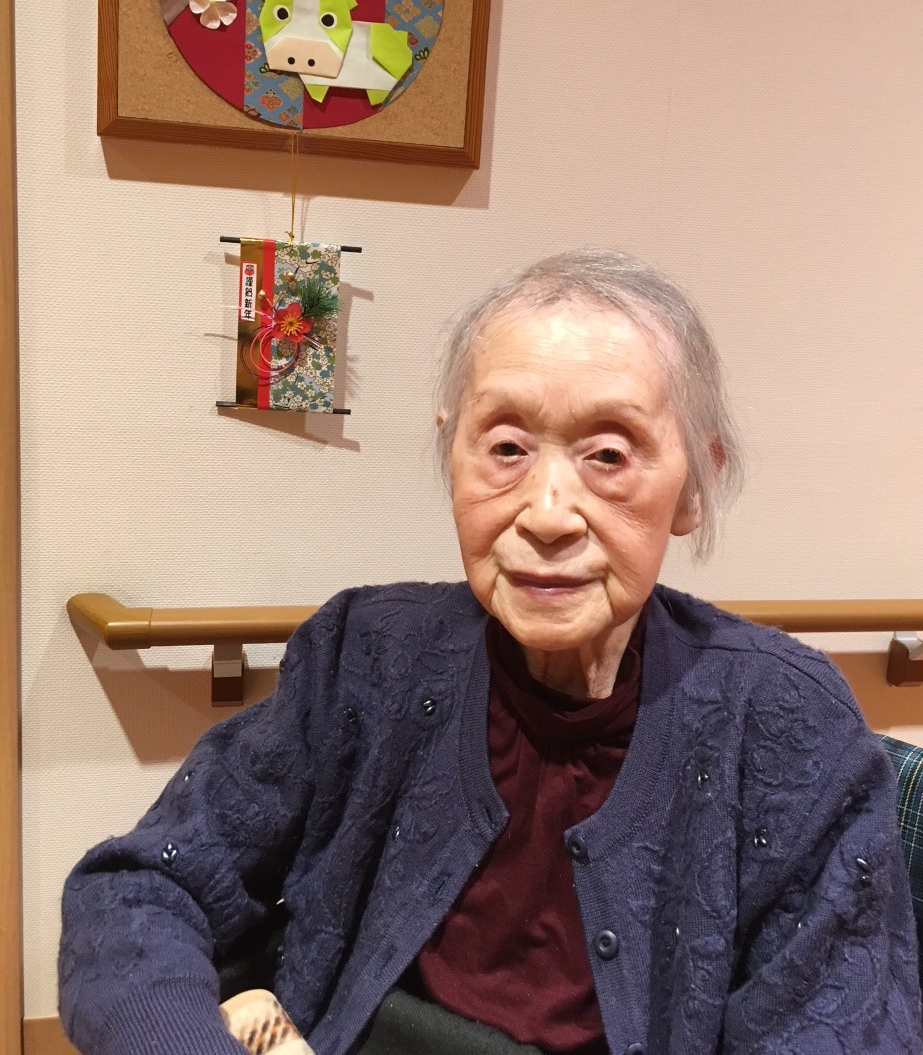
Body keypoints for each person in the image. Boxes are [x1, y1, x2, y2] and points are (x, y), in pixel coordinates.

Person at [59, 248, 922, 1055]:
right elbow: (137, 887)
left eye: (608, 454)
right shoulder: (364, 654)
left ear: (695, 482)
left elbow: (839, 1026)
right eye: (506, 447)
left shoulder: (786, 719)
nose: (546, 513)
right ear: (453, 451)